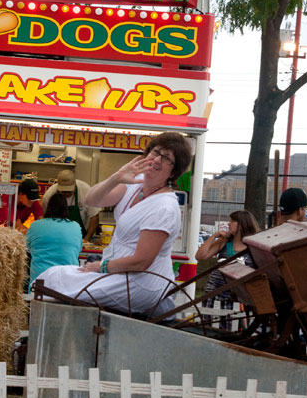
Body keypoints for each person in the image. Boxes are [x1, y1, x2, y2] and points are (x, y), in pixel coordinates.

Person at [36, 132, 193, 318]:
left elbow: (141, 261)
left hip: (141, 282)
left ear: (174, 171)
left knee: (58, 282)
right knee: (52, 274)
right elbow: (91, 199)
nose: (157, 160)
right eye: (156, 152)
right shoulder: (135, 184)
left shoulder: (164, 206)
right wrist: (116, 177)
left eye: (167, 158)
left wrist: (101, 267)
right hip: (118, 273)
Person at [195, 210, 260, 330]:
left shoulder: (254, 246)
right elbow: (200, 256)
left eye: (232, 221)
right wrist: (214, 236)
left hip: (238, 295)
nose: (229, 224)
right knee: (210, 327)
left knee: (233, 328)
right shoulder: (225, 242)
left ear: (242, 224)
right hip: (214, 292)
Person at [26, 193, 82, 291]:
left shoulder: (36, 226)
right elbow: (78, 250)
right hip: (68, 284)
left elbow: (27, 247)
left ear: (48, 207)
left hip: (39, 283)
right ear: (66, 208)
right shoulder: (76, 226)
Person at [41, 170, 101, 241]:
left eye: (69, 191)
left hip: (82, 236)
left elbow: (94, 216)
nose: (66, 194)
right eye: (63, 191)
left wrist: (87, 238)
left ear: (75, 185)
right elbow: (45, 218)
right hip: (57, 238)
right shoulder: (49, 195)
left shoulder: (85, 190)